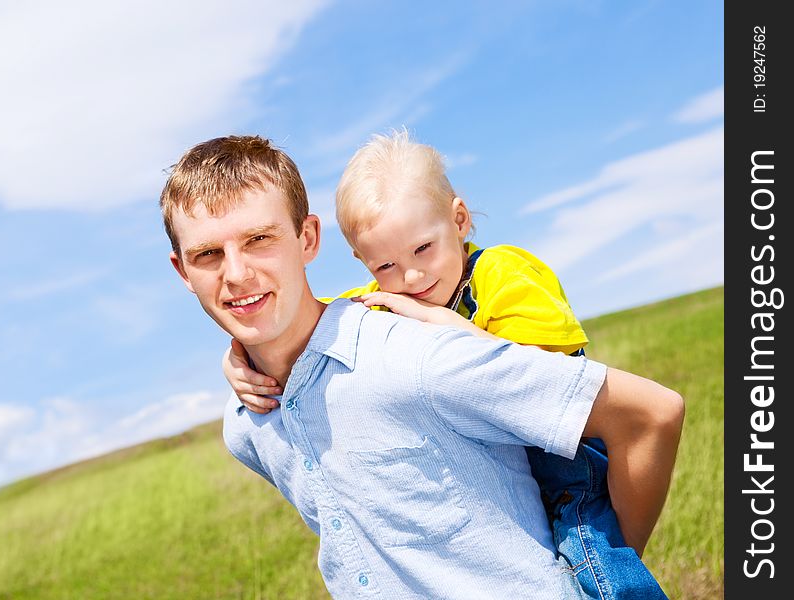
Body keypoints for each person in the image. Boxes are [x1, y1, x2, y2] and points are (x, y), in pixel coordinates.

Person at [162, 135, 684, 599]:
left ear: (308, 239)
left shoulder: (419, 350)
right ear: (182, 271)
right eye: (207, 253)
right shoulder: (248, 423)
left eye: (259, 239)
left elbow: (651, 414)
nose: (236, 273)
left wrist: (607, 558)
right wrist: (238, 356)